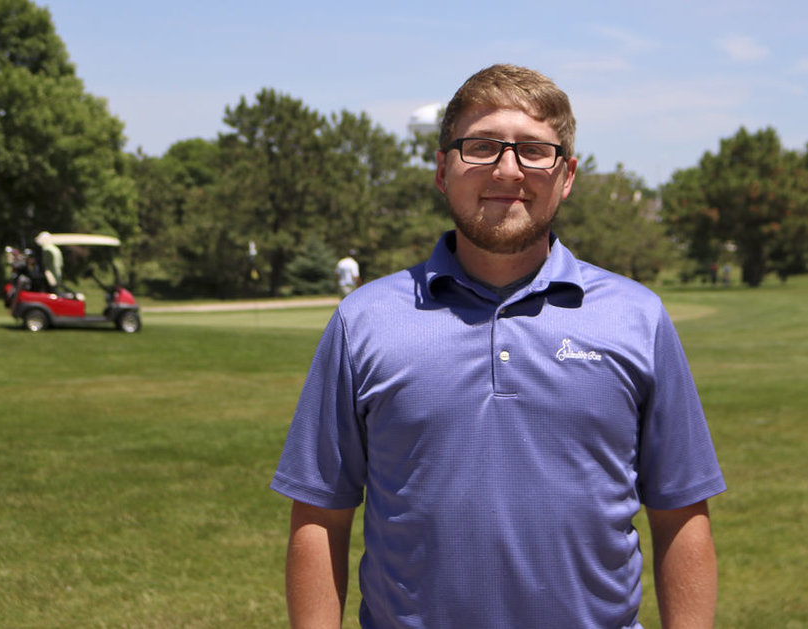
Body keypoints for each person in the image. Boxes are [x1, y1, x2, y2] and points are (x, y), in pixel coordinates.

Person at [271, 64, 726, 628]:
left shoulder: (638, 318)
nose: (508, 169)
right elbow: (321, 513)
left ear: (567, 175)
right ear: (442, 169)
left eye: (535, 151)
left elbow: (680, 509)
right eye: (481, 146)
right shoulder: (364, 321)